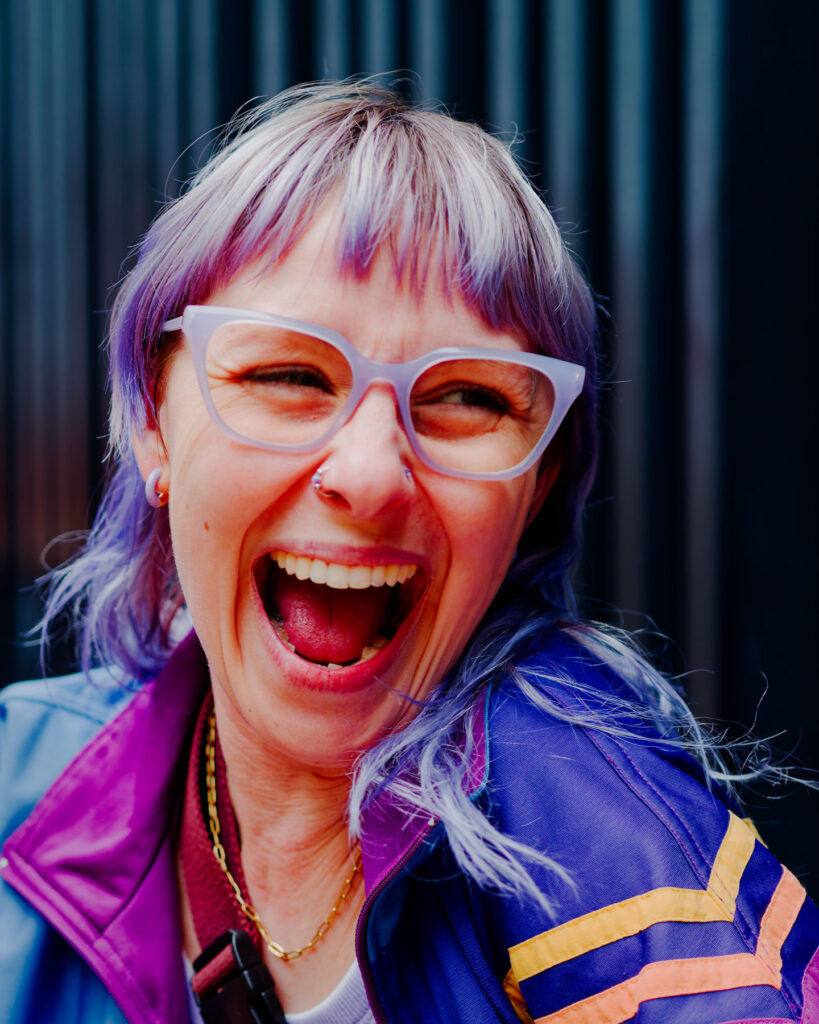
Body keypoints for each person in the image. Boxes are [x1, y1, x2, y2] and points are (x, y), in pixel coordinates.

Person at [0, 81, 816, 1024]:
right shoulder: (22, 782)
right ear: (151, 422)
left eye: (468, 398)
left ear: (537, 483)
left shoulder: (646, 906)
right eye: (288, 374)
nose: (370, 474)